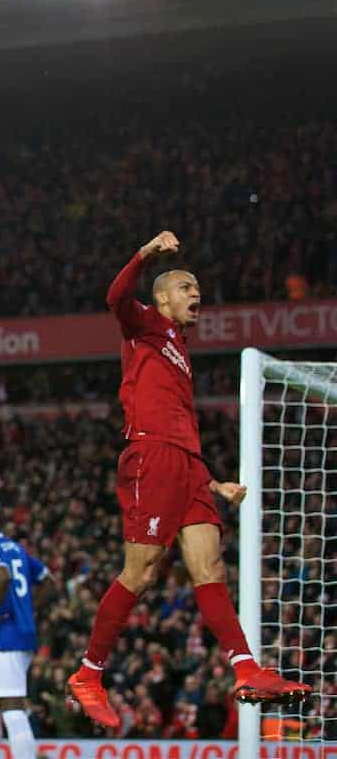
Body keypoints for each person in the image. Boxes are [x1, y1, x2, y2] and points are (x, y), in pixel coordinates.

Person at [66, 232, 311, 728]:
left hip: (188, 467)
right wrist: (146, 254)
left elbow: (180, 420)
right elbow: (115, 297)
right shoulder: (145, 326)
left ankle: (246, 669)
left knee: (210, 567)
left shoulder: (178, 345)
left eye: (196, 287)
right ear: (161, 297)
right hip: (151, 457)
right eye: (186, 286)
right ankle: (88, 674)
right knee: (143, 570)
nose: (195, 293)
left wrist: (214, 482)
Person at [0, 500, 55, 759]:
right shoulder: (17, 549)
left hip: (5, 637)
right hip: (22, 634)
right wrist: (28, 608)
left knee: (12, 708)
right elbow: (48, 582)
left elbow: (2, 575)